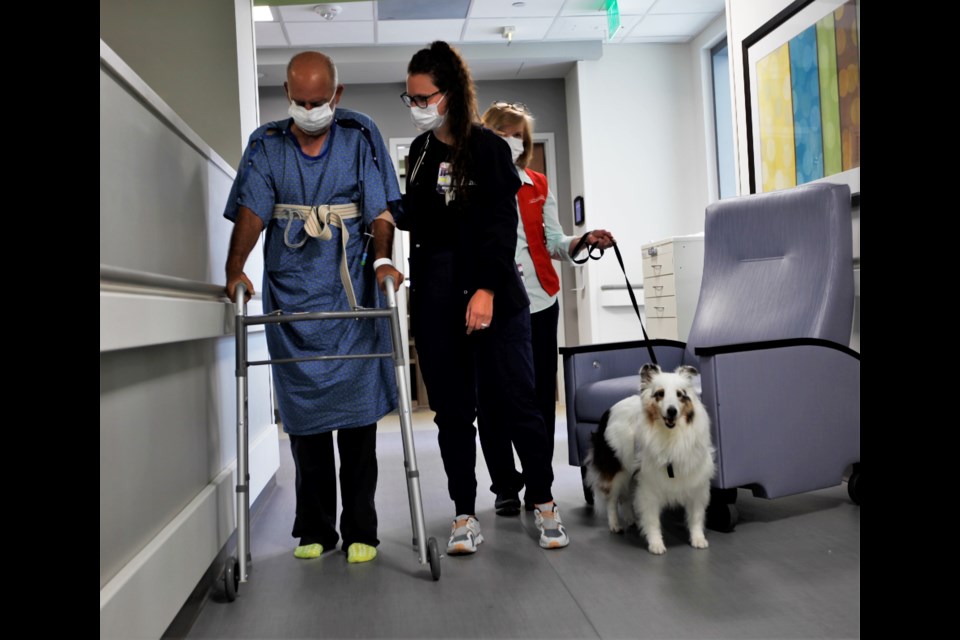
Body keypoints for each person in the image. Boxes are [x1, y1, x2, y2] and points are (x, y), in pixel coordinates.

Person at [223, 51, 404, 564]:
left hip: (351, 302)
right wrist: (234, 268)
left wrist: (384, 261)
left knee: (358, 422)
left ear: (336, 96)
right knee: (305, 425)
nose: (308, 110)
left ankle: (362, 528)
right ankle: (317, 530)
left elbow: (381, 210)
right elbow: (252, 212)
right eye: (299, 101)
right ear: (287, 94)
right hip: (293, 298)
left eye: (318, 101)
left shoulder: (359, 134)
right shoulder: (267, 144)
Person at [398, 41, 569, 553]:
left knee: (519, 401)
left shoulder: (491, 149)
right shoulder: (422, 153)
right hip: (435, 294)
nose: (416, 106)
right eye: (410, 97)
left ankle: (543, 501)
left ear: (449, 94)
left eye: (423, 97)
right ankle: (464, 514)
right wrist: (386, 215)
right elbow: (422, 221)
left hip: (492, 289)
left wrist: (487, 290)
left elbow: (499, 224)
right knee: (452, 412)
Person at [479, 102, 615, 515]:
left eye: (519, 133)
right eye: (504, 131)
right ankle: (505, 483)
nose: (514, 139)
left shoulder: (537, 182)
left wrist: (583, 241)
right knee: (493, 399)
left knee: (537, 397)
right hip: (489, 303)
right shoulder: (474, 183)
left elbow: (555, 240)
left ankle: (540, 484)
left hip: (539, 300)